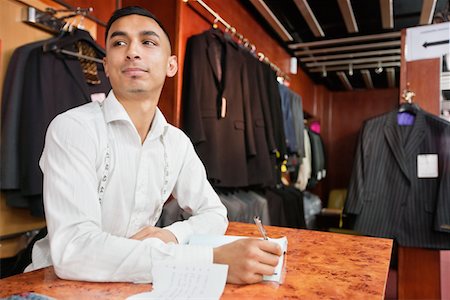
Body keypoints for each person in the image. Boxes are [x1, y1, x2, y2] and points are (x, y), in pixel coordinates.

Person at [25, 6, 281, 284]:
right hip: (57, 285)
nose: (133, 51)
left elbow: (214, 212)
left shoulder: (176, 142)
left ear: (171, 65)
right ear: (107, 65)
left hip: (137, 284)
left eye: (148, 42)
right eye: (119, 42)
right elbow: (75, 252)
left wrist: (172, 235)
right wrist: (210, 259)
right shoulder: (74, 129)